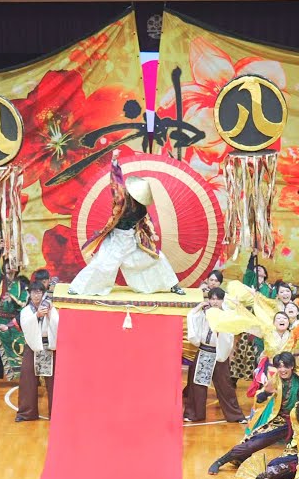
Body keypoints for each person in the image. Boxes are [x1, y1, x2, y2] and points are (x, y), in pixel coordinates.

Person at [67, 150, 183, 296]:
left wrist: (151, 234)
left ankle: (172, 285)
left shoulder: (142, 208)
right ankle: (77, 288)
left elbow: (146, 222)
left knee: (156, 258)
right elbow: (116, 182)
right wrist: (115, 161)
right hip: (115, 241)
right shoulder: (122, 200)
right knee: (102, 265)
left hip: (133, 241)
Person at [184, 287, 245, 424]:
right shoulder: (203, 313)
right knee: (197, 385)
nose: (215, 301)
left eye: (218, 299)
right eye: (212, 298)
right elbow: (192, 318)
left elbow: (230, 334)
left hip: (218, 354)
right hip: (204, 351)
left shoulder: (227, 314)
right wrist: (198, 307)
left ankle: (235, 415)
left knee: (225, 386)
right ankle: (194, 414)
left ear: (222, 300)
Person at [16, 280, 57, 422]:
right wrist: (37, 316)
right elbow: (25, 325)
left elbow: (57, 324)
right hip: (33, 346)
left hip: (49, 347)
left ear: (43, 293)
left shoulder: (50, 307)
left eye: (39, 292)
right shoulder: (26, 311)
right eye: (33, 292)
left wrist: (49, 315)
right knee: (27, 379)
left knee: (53, 382)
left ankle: (56, 414)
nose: (36, 295)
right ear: (29, 294)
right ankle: (26, 413)